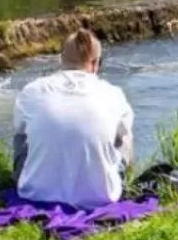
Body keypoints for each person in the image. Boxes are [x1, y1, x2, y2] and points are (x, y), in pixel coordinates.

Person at [12, 28, 134, 208]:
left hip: (35, 194)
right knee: (125, 134)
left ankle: (36, 179)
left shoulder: (31, 91)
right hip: (101, 197)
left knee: (23, 135)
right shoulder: (113, 94)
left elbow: (20, 134)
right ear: (95, 63)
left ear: (61, 60)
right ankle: (119, 183)